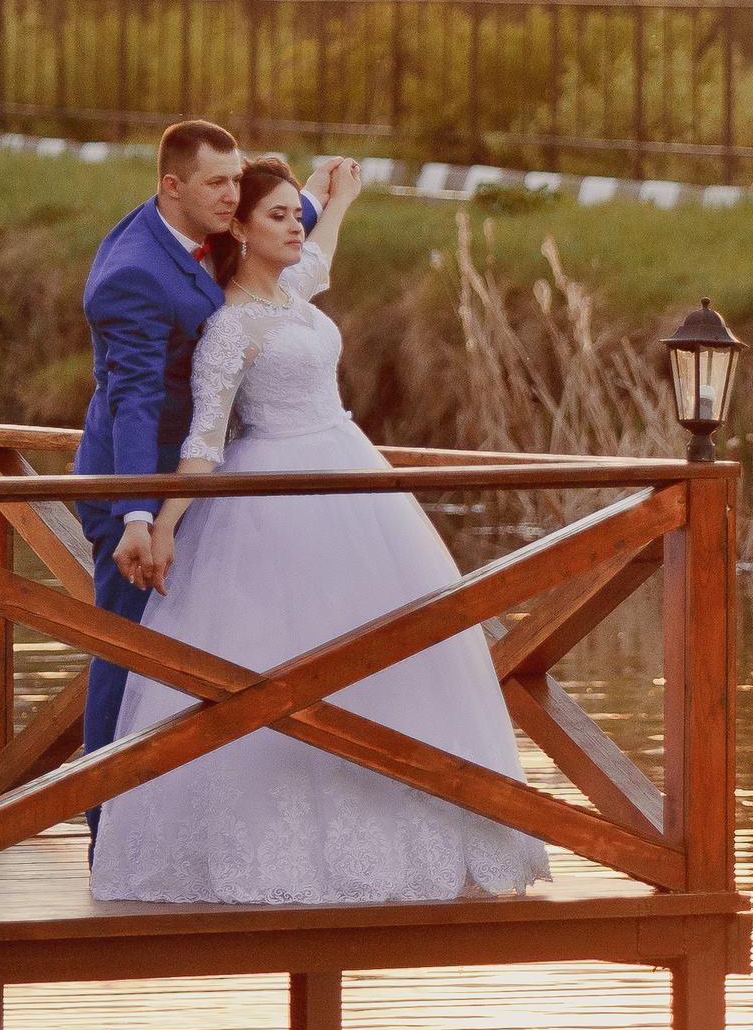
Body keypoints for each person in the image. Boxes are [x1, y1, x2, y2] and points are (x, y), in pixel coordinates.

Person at [88, 155, 549, 909]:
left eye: (293, 214)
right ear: (240, 230)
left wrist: (336, 201)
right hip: (277, 496)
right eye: (278, 217)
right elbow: (204, 441)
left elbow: (319, 261)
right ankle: (279, 850)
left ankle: (405, 835)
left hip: (351, 481)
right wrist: (162, 523)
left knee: (389, 655)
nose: (295, 227)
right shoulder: (229, 327)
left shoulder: (290, 290)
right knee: (278, 665)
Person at [74, 119, 317, 781]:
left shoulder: (202, 222)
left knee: (208, 648)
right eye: (218, 183)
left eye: (237, 180)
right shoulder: (135, 274)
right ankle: (104, 812)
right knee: (129, 653)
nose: (233, 195)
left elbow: (275, 217)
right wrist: (136, 514)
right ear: (173, 185)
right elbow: (135, 401)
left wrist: (320, 194)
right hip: (140, 481)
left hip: (201, 480)